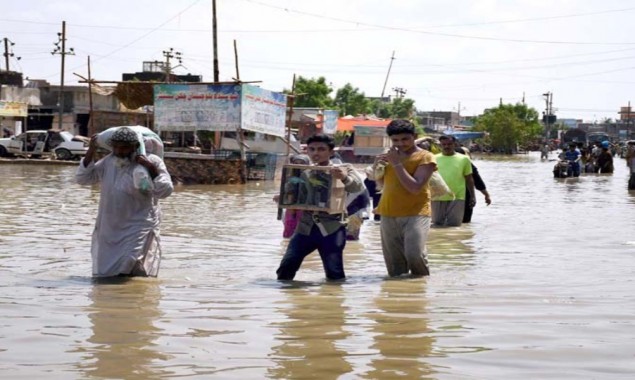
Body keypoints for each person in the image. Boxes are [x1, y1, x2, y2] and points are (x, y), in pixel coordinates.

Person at [76, 127, 174, 278]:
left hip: (139, 222)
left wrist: (149, 167)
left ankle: (126, 294)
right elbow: (84, 179)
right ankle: (116, 295)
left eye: (124, 148)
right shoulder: (109, 162)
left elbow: (165, 190)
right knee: (109, 268)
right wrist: (91, 151)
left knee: (129, 260)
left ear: (135, 147)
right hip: (110, 224)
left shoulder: (152, 161)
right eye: (116, 147)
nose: (120, 151)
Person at [275, 134, 364, 281]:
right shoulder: (304, 171)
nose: (316, 153)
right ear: (307, 151)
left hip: (332, 228)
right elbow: (297, 195)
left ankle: (332, 300)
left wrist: (344, 177)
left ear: (331, 152)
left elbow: (357, 187)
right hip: (305, 227)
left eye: (321, 149)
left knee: (334, 274)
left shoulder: (344, 168)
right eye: (312, 149)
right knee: (286, 268)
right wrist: (284, 198)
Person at [373, 119, 436, 277]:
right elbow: (381, 184)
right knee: (394, 263)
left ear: (414, 136)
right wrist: (377, 167)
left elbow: (415, 187)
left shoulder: (425, 157)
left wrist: (396, 164)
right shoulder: (389, 157)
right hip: (388, 212)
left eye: (405, 139)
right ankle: (399, 297)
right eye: (395, 140)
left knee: (415, 255)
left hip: (417, 212)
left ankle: (421, 287)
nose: (400, 143)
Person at [432, 135, 475, 227]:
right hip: (437, 196)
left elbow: (469, 178)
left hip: (457, 196)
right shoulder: (433, 158)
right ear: (440, 145)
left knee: (454, 226)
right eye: (444, 144)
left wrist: (472, 196)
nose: (446, 146)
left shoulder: (464, 159)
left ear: (455, 144)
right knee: (436, 225)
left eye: (449, 144)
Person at [455, 145, 492, 223]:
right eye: (468, 153)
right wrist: (486, 195)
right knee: (465, 221)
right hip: (465, 197)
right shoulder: (468, 164)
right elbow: (478, 182)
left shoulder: (444, 162)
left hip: (446, 197)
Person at [281, 154, 311, 238]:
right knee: (289, 227)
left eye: (302, 163)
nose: (299, 165)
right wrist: (281, 196)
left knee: (301, 228)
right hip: (291, 205)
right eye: (296, 163)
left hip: (305, 206)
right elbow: (287, 190)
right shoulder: (290, 176)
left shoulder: (310, 176)